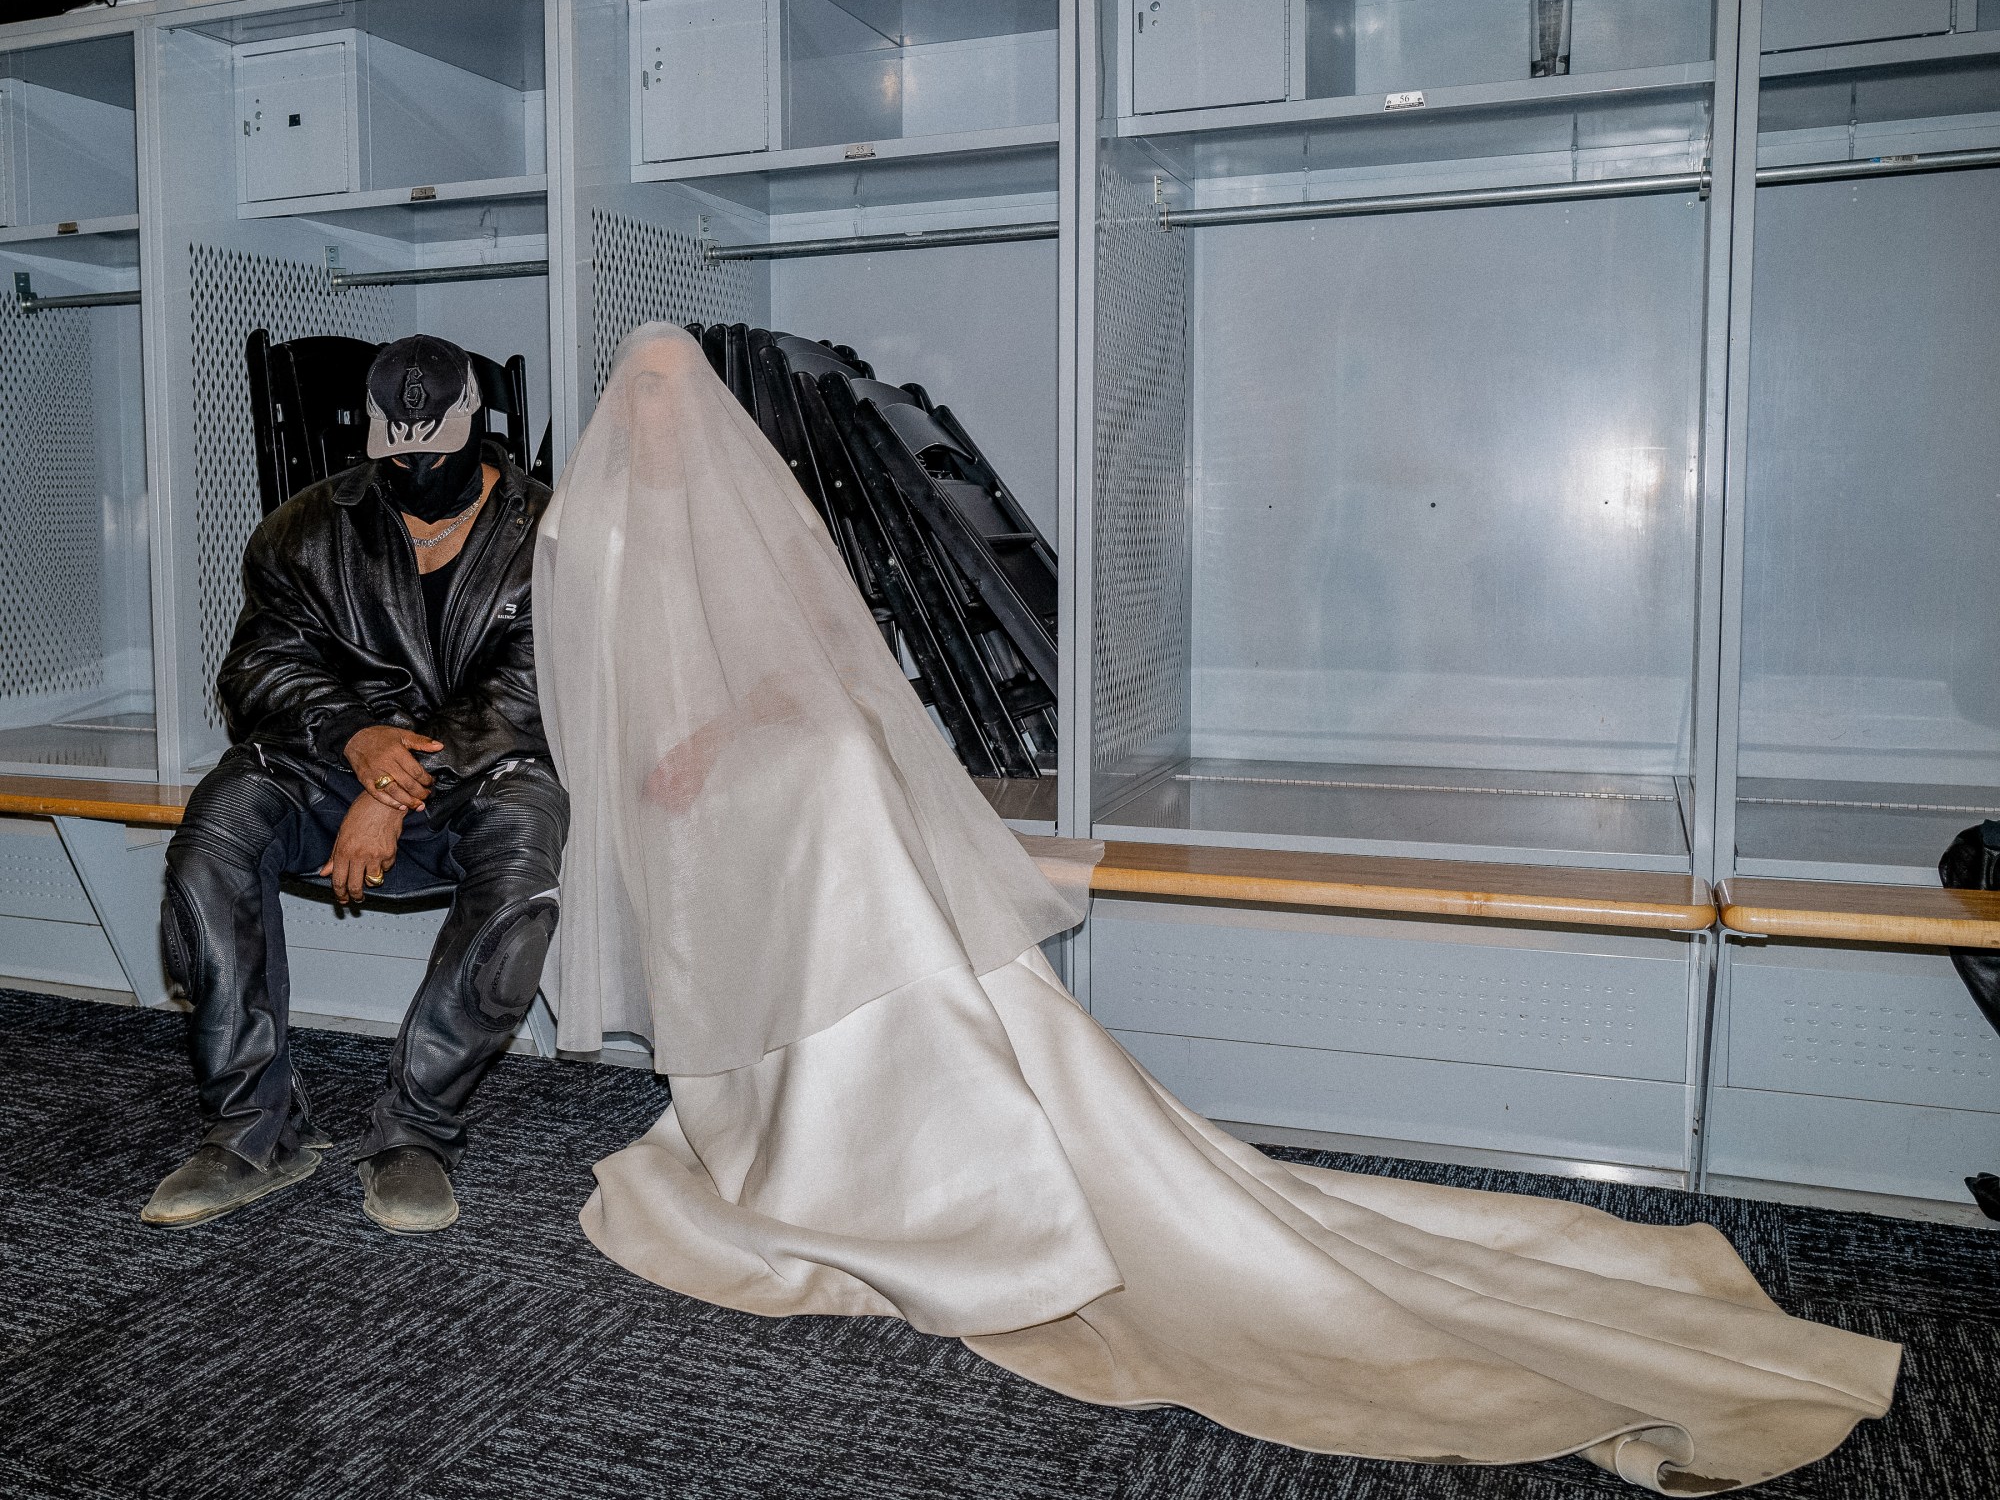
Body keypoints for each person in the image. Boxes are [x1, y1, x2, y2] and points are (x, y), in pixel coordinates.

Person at [534, 324, 1899, 1494]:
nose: (660, 419)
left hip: (765, 786)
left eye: (675, 397)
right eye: (638, 399)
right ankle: (823, 1096)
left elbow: (822, 667)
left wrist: (727, 741)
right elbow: (597, 700)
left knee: (844, 786)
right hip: (702, 811)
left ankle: (894, 1130)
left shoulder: (749, 508)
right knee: (827, 809)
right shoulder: (587, 526)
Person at [142, 334, 567, 1236]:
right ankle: (256, 1128)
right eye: (396, 452)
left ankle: (415, 1132)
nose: (414, 467)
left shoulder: (551, 532)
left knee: (526, 849)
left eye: (434, 451)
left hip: (478, 776)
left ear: (475, 429)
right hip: (325, 765)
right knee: (215, 833)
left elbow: (529, 693)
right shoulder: (303, 527)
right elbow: (258, 668)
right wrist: (356, 737)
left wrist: (391, 785)